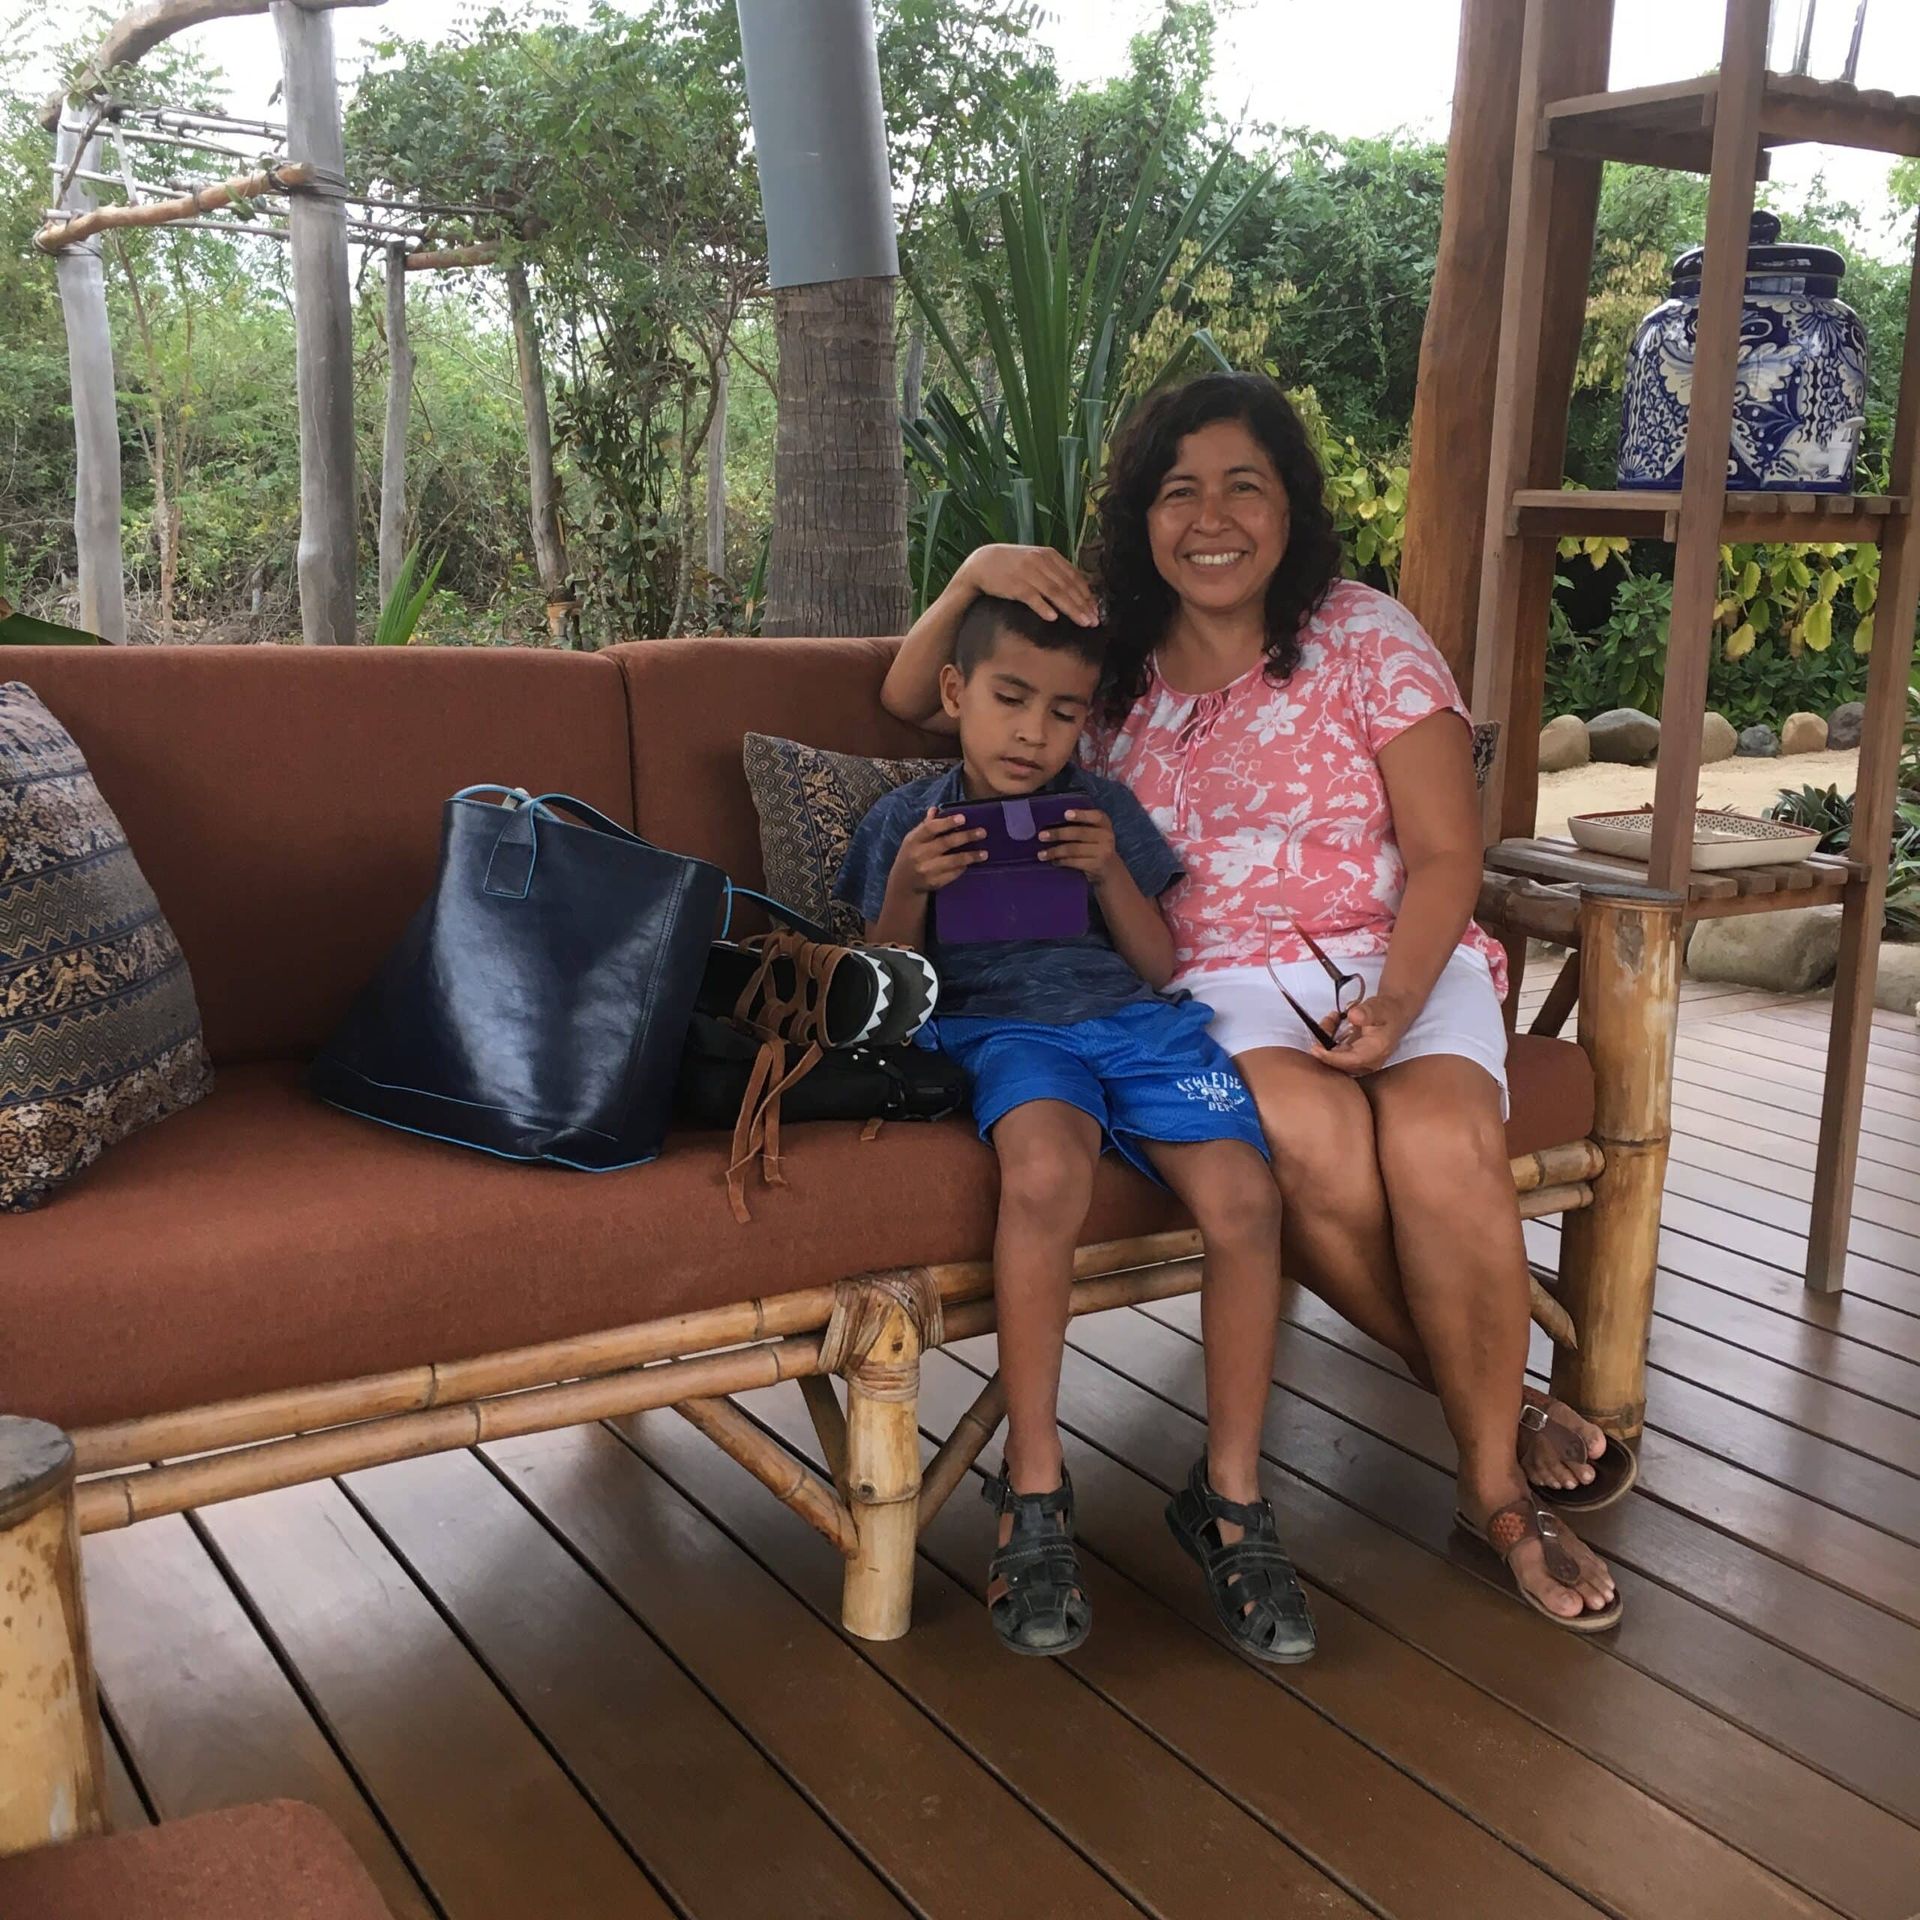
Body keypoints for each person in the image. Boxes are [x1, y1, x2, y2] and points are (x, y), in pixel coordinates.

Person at [880, 371, 1622, 1633]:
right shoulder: (1105, 654)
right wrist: (972, 575)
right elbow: (912, 698)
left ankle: (1489, 1477)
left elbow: (1449, 854)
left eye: (1244, 487)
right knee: (1313, 1138)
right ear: (1143, 515)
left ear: (1291, 508)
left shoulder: (1367, 635)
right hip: (1210, 977)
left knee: (1440, 1139)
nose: (1211, 518)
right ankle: (1500, 1445)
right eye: (1180, 491)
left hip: (1399, 952)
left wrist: (1397, 1001)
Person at [835, 592, 1317, 1663]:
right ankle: (1035, 1481)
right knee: (1047, 1173)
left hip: (1135, 1026)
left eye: (1063, 712)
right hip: (1007, 1034)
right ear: (956, 692)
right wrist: (909, 886)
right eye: (1010, 700)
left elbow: (1158, 962)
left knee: (1247, 1199)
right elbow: (884, 985)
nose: (1032, 733)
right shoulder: (907, 821)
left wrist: (1105, 870)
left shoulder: (1100, 810)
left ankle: (1231, 1493)